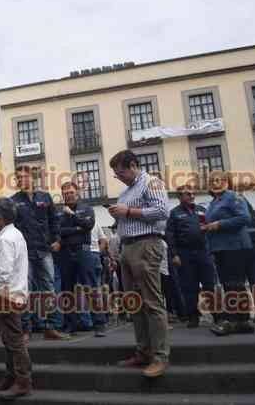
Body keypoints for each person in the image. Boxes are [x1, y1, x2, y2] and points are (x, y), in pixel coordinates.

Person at [108, 150, 170, 378]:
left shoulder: (151, 182)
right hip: (128, 246)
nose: (119, 177)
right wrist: (119, 214)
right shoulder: (126, 191)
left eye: (121, 172)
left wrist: (129, 211)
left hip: (146, 244)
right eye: (116, 175)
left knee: (152, 302)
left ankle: (160, 356)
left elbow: (163, 211)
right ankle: (143, 351)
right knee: (134, 303)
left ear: (133, 165)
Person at [11, 166, 66, 341]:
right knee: (24, 290)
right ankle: (25, 330)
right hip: (23, 253)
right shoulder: (13, 201)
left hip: (44, 251)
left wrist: (57, 239)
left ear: (32, 178)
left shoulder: (45, 197)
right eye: (18, 177)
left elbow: (54, 220)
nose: (20, 180)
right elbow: (10, 227)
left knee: (49, 289)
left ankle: (51, 328)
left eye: (23, 176)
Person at [0, 197, 32, 400]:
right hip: (15, 293)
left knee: (14, 341)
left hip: (7, 295)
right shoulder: (15, 234)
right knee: (10, 339)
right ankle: (12, 376)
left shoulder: (5, 239)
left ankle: (22, 381)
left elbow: (3, 273)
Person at [204, 172, 254, 337]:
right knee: (232, 284)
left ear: (226, 182)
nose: (215, 183)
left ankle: (231, 320)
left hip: (234, 247)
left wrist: (219, 224)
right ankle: (243, 321)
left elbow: (245, 218)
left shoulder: (233, 196)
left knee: (233, 284)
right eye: (211, 181)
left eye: (218, 180)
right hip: (220, 248)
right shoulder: (214, 202)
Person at [59, 181, 106, 337]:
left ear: (77, 193)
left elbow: (88, 225)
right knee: (67, 290)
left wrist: (73, 216)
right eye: (65, 193)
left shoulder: (87, 209)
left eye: (71, 192)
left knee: (90, 287)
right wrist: (77, 229)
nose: (68, 195)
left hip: (84, 251)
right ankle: (69, 326)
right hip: (65, 253)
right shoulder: (58, 212)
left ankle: (99, 324)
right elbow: (59, 231)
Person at [165, 186, 215, 328]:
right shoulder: (174, 213)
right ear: (180, 197)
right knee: (189, 287)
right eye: (188, 194)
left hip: (203, 253)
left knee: (209, 284)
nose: (192, 196)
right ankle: (193, 316)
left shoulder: (202, 210)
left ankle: (216, 314)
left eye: (193, 193)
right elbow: (170, 236)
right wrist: (174, 255)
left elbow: (210, 230)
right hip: (184, 254)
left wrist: (212, 251)